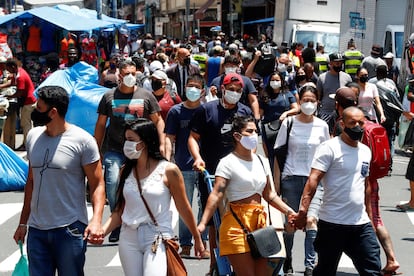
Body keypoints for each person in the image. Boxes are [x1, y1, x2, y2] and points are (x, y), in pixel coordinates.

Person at [13, 86, 106, 276]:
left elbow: (97, 184)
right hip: (37, 230)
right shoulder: (33, 137)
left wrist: (96, 221)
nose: (34, 112)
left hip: (70, 229)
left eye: (38, 108)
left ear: (53, 112)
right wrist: (23, 223)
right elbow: (31, 182)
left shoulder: (83, 141)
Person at [100, 118, 205, 275]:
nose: (126, 145)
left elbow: (183, 206)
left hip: (156, 236)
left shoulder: (169, 170)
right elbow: (119, 211)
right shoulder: (125, 171)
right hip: (129, 237)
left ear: (145, 142)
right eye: (125, 140)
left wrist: (196, 238)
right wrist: (101, 232)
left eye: (131, 140)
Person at [197, 115, 296, 276]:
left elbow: (269, 195)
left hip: (261, 225)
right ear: (237, 136)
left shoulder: (262, 161)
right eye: (249, 131)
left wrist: (289, 212)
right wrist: (202, 224)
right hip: (236, 224)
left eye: (255, 131)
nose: (254, 135)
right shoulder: (227, 162)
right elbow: (216, 194)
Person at [294, 106, 382, 276]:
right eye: (352, 123)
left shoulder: (365, 151)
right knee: (326, 270)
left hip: (360, 225)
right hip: (332, 224)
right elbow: (313, 180)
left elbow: (365, 185)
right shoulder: (329, 148)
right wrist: (303, 211)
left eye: (360, 123)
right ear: (342, 123)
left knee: (373, 269)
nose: (357, 126)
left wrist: (370, 218)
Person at [94, 59, 166, 242]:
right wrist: (96, 149)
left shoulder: (146, 96)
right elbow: (101, 124)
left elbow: (158, 121)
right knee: (112, 182)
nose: (130, 77)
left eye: (133, 74)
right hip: (114, 149)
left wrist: (161, 144)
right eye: (126, 74)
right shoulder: (109, 97)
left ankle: (141, 220)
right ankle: (116, 219)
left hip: (141, 150)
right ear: (119, 76)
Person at [188, 72, 253, 275]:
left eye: (238, 90)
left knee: (239, 217)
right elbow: (192, 138)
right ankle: (215, 265)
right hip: (212, 174)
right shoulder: (206, 110)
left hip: (239, 173)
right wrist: (197, 158)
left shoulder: (244, 111)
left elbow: (251, 139)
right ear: (222, 89)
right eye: (230, 89)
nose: (234, 93)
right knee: (215, 221)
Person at [273, 84, 330, 276]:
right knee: (291, 225)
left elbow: (327, 158)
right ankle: (287, 258)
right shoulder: (288, 123)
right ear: (299, 102)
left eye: (312, 101)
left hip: (314, 182)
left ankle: (309, 266)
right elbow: (278, 155)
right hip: (291, 178)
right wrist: (277, 184)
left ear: (318, 103)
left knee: (311, 221)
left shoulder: (322, 126)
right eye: (305, 100)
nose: (308, 104)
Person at [165, 74, 209, 258]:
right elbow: (169, 138)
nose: (192, 89)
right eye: (189, 85)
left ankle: (202, 241)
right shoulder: (175, 112)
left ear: (202, 91)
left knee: (205, 205)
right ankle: (185, 244)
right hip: (183, 165)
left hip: (206, 167)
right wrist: (167, 161)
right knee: (185, 205)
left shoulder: (207, 111)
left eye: (196, 86)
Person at [259, 71, 298, 171]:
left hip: (284, 127)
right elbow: (260, 114)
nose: (275, 82)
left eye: (277, 80)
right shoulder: (264, 95)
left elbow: (296, 108)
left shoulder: (287, 94)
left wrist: (286, 113)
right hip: (268, 130)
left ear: (281, 81)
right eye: (272, 80)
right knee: (270, 155)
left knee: (284, 153)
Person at [5, 58, 36, 151]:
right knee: (27, 124)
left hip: (28, 102)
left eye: (8, 69)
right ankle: (26, 143)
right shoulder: (19, 71)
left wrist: (8, 96)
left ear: (13, 67)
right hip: (29, 100)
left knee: (25, 124)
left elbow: (19, 92)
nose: (8, 71)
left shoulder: (20, 76)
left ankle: (27, 145)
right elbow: (12, 83)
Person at [316, 53, 352, 127]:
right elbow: (318, 97)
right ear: (331, 63)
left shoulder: (347, 77)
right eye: (337, 63)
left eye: (341, 63)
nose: (339, 65)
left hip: (341, 114)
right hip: (326, 112)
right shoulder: (322, 78)